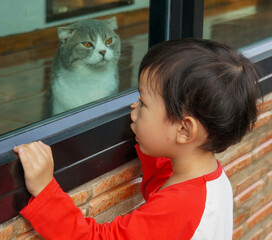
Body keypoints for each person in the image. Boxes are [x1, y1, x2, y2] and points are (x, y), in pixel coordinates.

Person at [14, 39, 260, 239]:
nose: (133, 110)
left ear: (184, 130)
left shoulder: (180, 208)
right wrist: (149, 133)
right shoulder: (210, 181)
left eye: (143, 103)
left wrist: (46, 192)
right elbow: (164, 186)